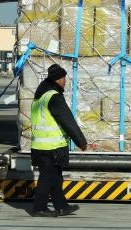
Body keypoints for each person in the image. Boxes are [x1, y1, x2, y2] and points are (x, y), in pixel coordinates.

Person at [29, 63, 89, 217]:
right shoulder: (54, 97)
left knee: (55, 177)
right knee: (47, 178)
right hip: (51, 146)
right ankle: (39, 208)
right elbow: (67, 120)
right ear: (57, 79)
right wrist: (81, 142)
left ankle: (61, 206)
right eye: (63, 78)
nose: (65, 81)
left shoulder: (40, 96)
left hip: (40, 146)